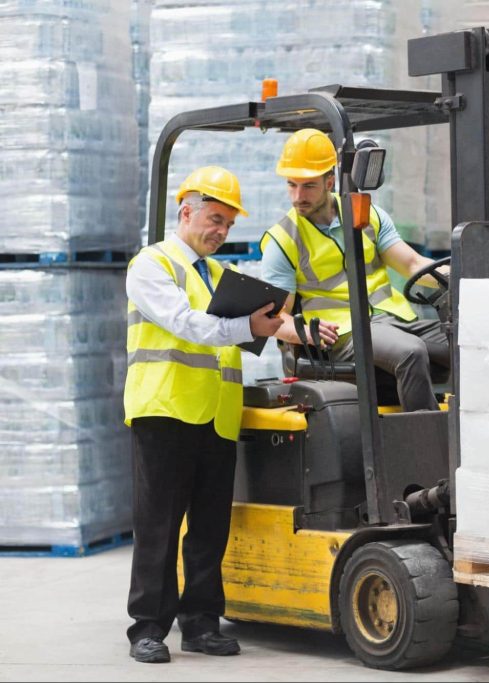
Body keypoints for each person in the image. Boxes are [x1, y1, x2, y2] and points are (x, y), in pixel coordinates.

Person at [123, 166, 283, 664]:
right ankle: (148, 627)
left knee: (211, 526)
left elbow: (252, 328)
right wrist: (245, 326)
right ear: (185, 211)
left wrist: (296, 329)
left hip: (215, 415)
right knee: (160, 525)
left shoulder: (219, 275)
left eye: (229, 224)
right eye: (215, 219)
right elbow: (185, 324)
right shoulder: (153, 265)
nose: (221, 231)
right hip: (165, 411)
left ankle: (201, 623)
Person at [260, 128, 449, 411]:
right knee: (410, 352)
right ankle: (426, 450)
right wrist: (305, 334)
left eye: (308, 186)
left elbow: (411, 264)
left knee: (464, 342)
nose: (298, 196)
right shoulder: (283, 239)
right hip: (344, 332)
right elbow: (276, 316)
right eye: (291, 185)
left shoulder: (368, 214)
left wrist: (461, 279)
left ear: (330, 181)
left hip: (393, 319)